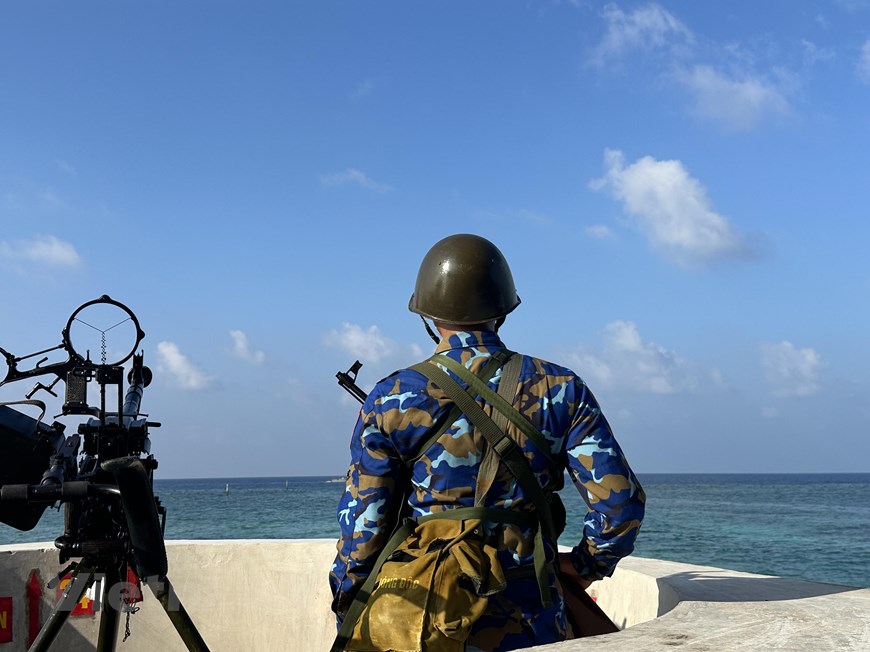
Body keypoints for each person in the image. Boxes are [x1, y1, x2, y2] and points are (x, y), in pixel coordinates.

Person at [329, 233, 645, 651]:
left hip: (425, 619)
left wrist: (350, 604)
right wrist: (586, 566)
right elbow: (620, 506)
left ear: (426, 314)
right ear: (503, 310)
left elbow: (363, 529)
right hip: (532, 617)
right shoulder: (561, 388)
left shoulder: (390, 397)